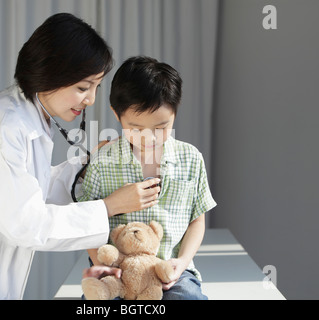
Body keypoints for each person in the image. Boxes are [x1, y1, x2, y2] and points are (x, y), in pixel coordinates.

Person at [0, 14, 160, 300]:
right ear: (51, 73)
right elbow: (26, 223)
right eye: (83, 87)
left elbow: (28, 192)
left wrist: (84, 167)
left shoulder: (28, 119)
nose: (90, 100)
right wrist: (108, 206)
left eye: (96, 87)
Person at [78, 56, 217, 300]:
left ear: (175, 111)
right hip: (117, 272)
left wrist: (182, 263)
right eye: (136, 128)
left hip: (171, 273)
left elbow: (197, 220)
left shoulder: (190, 158)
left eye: (161, 127)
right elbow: (88, 222)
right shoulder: (102, 161)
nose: (149, 138)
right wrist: (103, 264)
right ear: (116, 114)